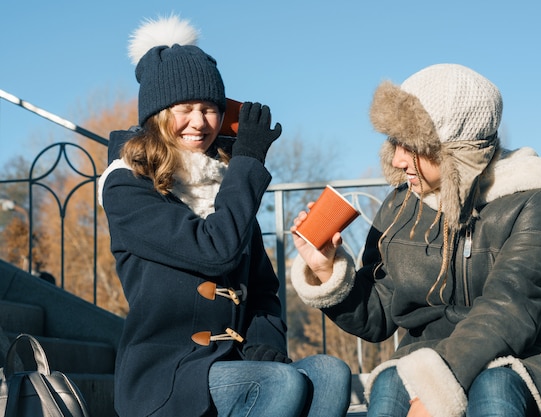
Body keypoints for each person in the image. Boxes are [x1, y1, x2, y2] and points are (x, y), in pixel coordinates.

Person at [98, 15, 351, 417]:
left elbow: (263, 289)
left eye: (211, 108)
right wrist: (247, 163)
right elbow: (215, 251)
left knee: (330, 372)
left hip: (230, 362)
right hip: (168, 376)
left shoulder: (224, 184)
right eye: (184, 108)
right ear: (158, 115)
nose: (199, 122)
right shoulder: (128, 186)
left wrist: (263, 342)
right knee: (279, 383)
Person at [290, 63, 541, 417]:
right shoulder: (400, 204)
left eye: (412, 146)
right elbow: (378, 316)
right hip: (421, 357)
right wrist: (328, 271)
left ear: (457, 150)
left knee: (494, 387)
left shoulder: (530, 199)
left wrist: (438, 386)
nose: (397, 159)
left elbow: (510, 309)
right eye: (395, 143)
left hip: (518, 360)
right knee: (391, 384)